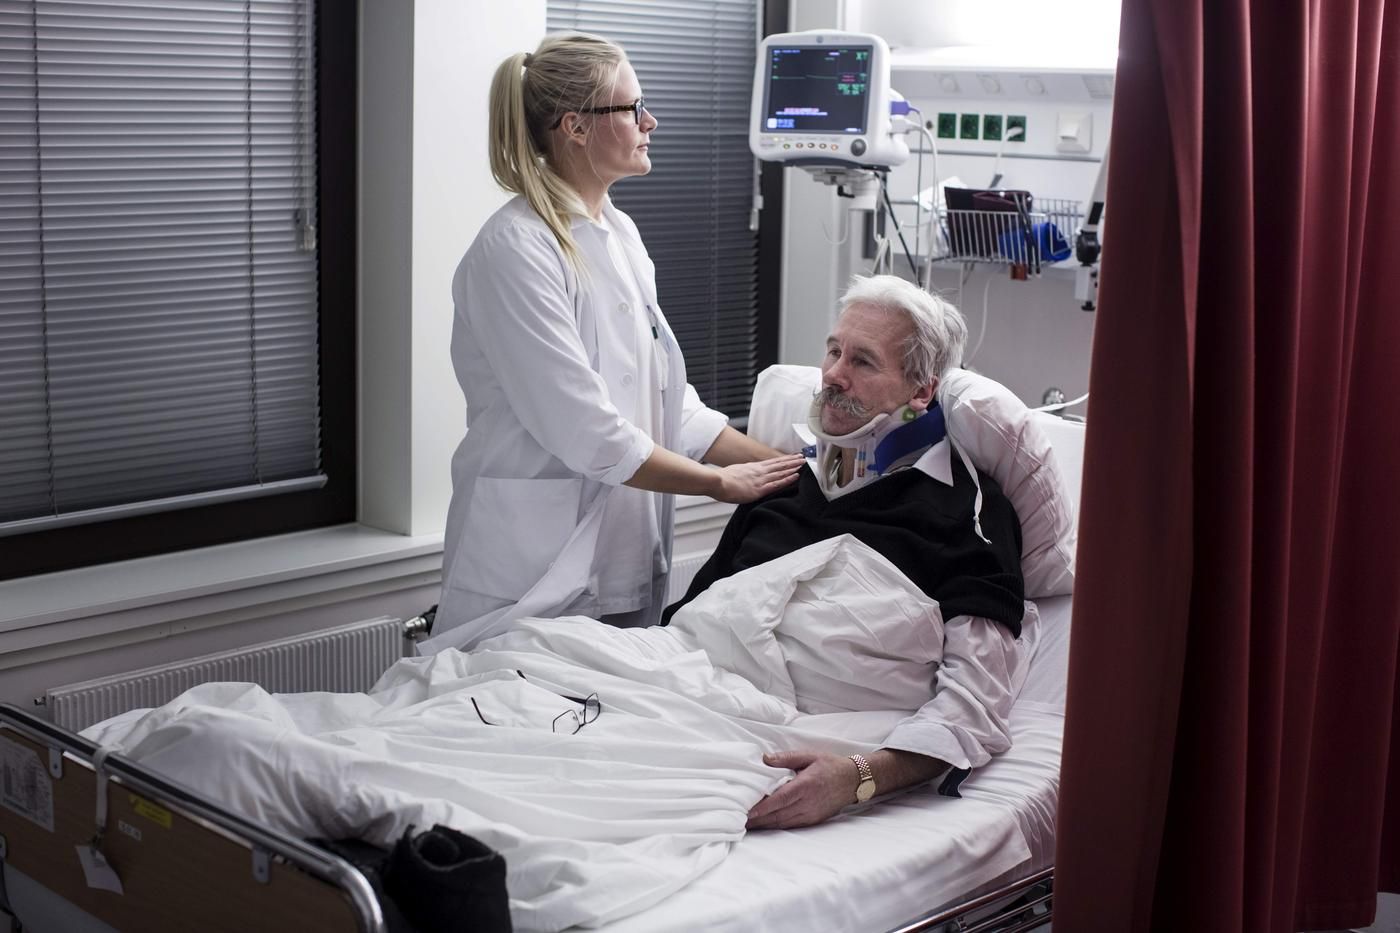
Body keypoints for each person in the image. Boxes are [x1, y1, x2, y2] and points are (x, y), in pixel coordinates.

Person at [430, 33, 802, 652]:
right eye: (633, 108)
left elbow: (667, 401)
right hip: (535, 569)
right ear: (576, 127)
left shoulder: (621, 234)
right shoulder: (515, 250)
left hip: (623, 551)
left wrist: (787, 470)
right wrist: (718, 484)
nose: (649, 122)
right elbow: (586, 427)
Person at [663, 274, 1032, 830]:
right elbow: (684, 625)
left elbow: (975, 702)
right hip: (684, 701)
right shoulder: (787, 481)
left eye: (862, 361)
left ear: (921, 392)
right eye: (834, 351)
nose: (833, 374)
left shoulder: (967, 512)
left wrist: (858, 776)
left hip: (789, 732)